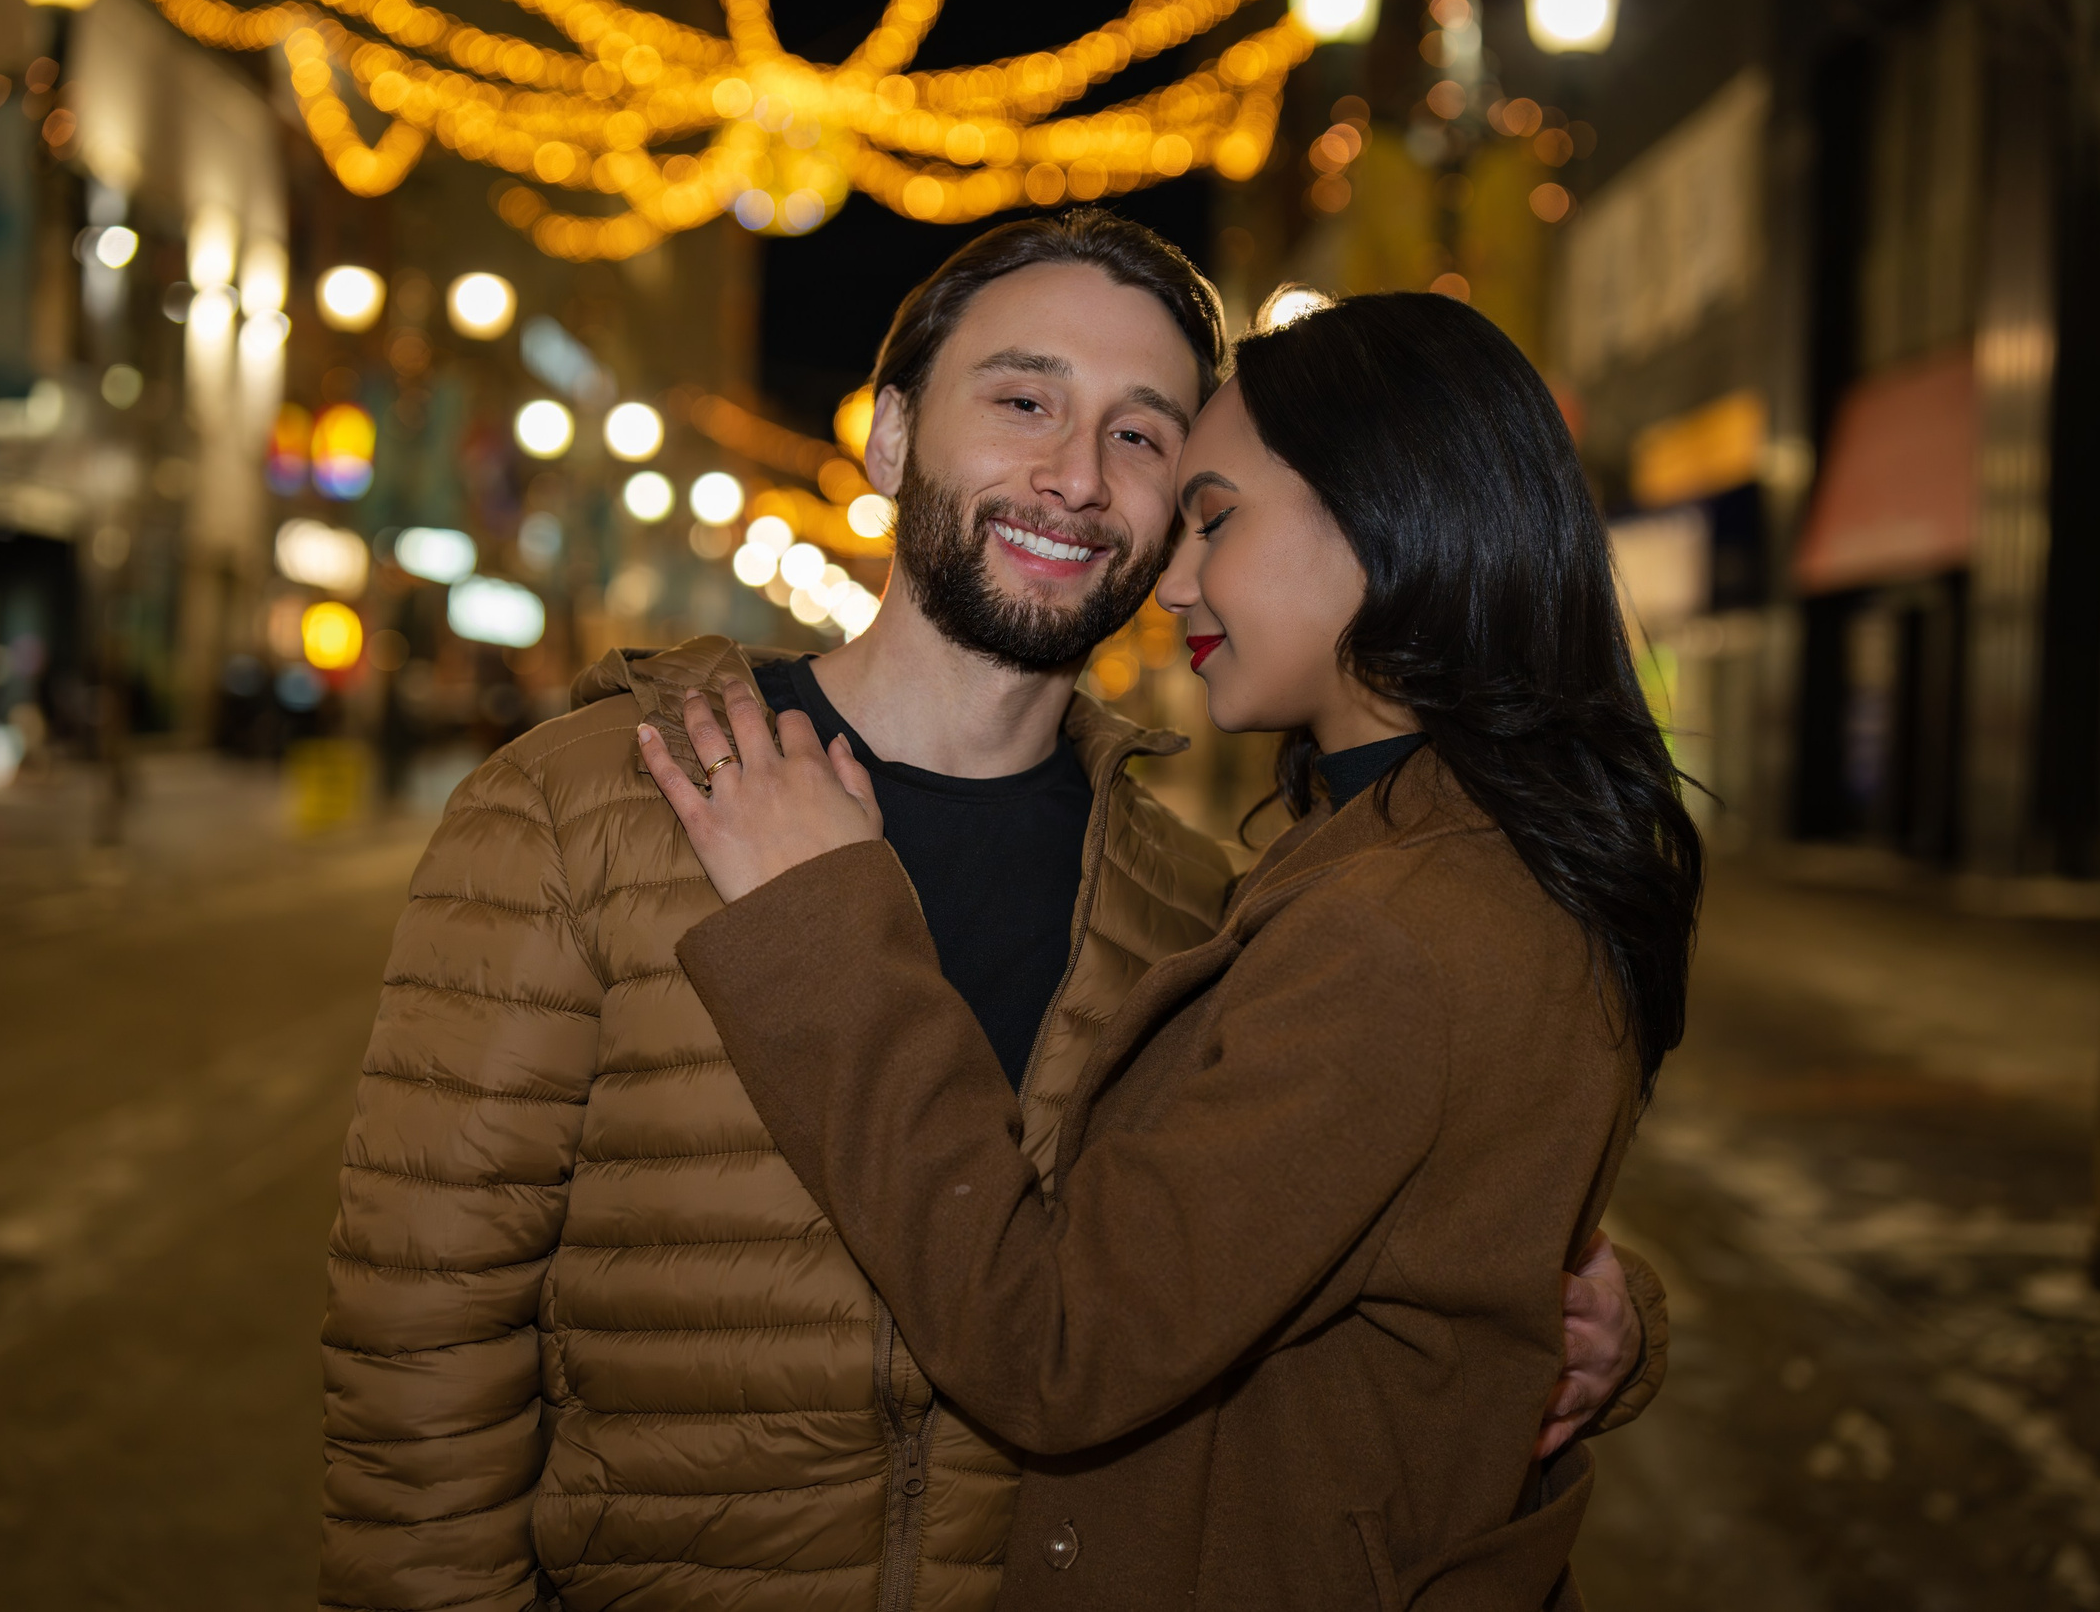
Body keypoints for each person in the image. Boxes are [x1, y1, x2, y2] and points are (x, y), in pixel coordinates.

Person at [320, 220, 1665, 1612]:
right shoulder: (582, 804)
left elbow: (1281, 1278)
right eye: (1023, 401)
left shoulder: (1196, 902)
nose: (1076, 476)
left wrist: (1572, 1307)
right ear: (892, 440)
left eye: (1144, 441)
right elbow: (419, 1353)